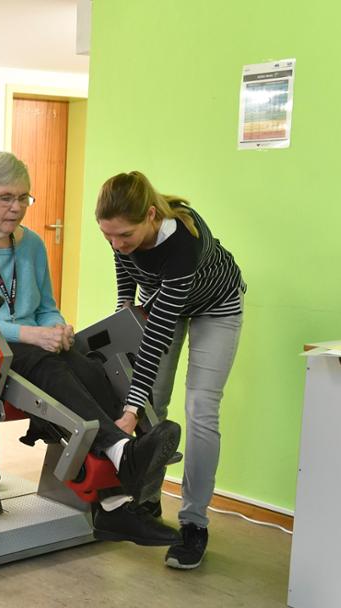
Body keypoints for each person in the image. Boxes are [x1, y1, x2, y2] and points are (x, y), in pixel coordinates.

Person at [0, 152, 182, 546]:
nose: (16, 207)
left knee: (91, 366)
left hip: (23, 349)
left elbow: (45, 307)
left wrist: (57, 329)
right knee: (47, 365)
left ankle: (115, 502)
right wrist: (34, 335)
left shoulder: (32, 246)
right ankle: (119, 451)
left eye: (24, 198)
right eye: (6, 196)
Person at [95, 171, 246, 570]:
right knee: (152, 406)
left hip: (216, 306)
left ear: (149, 216)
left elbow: (158, 333)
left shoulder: (183, 241)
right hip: (162, 301)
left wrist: (128, 410)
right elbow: (126, 270)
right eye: (108, 236)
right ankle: (145, 505)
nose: (117, 244)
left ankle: (194, 523)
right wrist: (125, 303)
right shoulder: (119, 227)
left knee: (200, 409)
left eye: (124, 235)